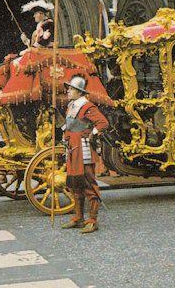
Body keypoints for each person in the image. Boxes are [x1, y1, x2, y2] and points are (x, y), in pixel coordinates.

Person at [61, 76, 109, 233]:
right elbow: (71, 124)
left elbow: (103, 123)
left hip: (83, 149)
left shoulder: (87, 106)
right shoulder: (71, 106)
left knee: (88, 184)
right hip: (72, 149)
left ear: (79, 91)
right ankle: (78, 218)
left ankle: (92, 220)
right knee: (75, 185)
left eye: (71, 89)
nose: (68, 91)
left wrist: (92, 133)